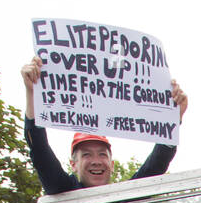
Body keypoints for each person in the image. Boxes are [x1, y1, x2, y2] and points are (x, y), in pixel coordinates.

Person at [21, 54, 188, 194]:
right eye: (86, 155)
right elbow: (39, 150)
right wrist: (32, 92)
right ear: (73, 165)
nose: (96, 161)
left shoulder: (122, 202)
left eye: (102, 154)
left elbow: (154, 168)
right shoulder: (62, 191)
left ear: (112, 165)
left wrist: (173, 119)